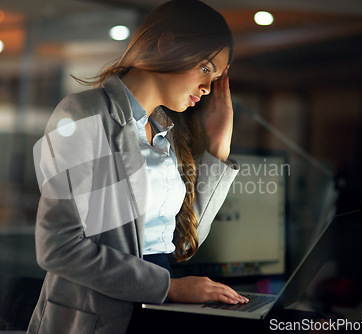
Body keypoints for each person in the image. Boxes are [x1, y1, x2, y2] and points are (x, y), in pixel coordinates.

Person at [27, 1, 247, 333]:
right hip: (96, 319)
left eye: (214, 78)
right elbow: (58, 247)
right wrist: (169, 287)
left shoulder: (164, 134)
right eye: (205, 68)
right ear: (167, 44)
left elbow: (182, 241)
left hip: (153, 310)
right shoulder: (83, 115)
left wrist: (218, 148)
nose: (207, 88)